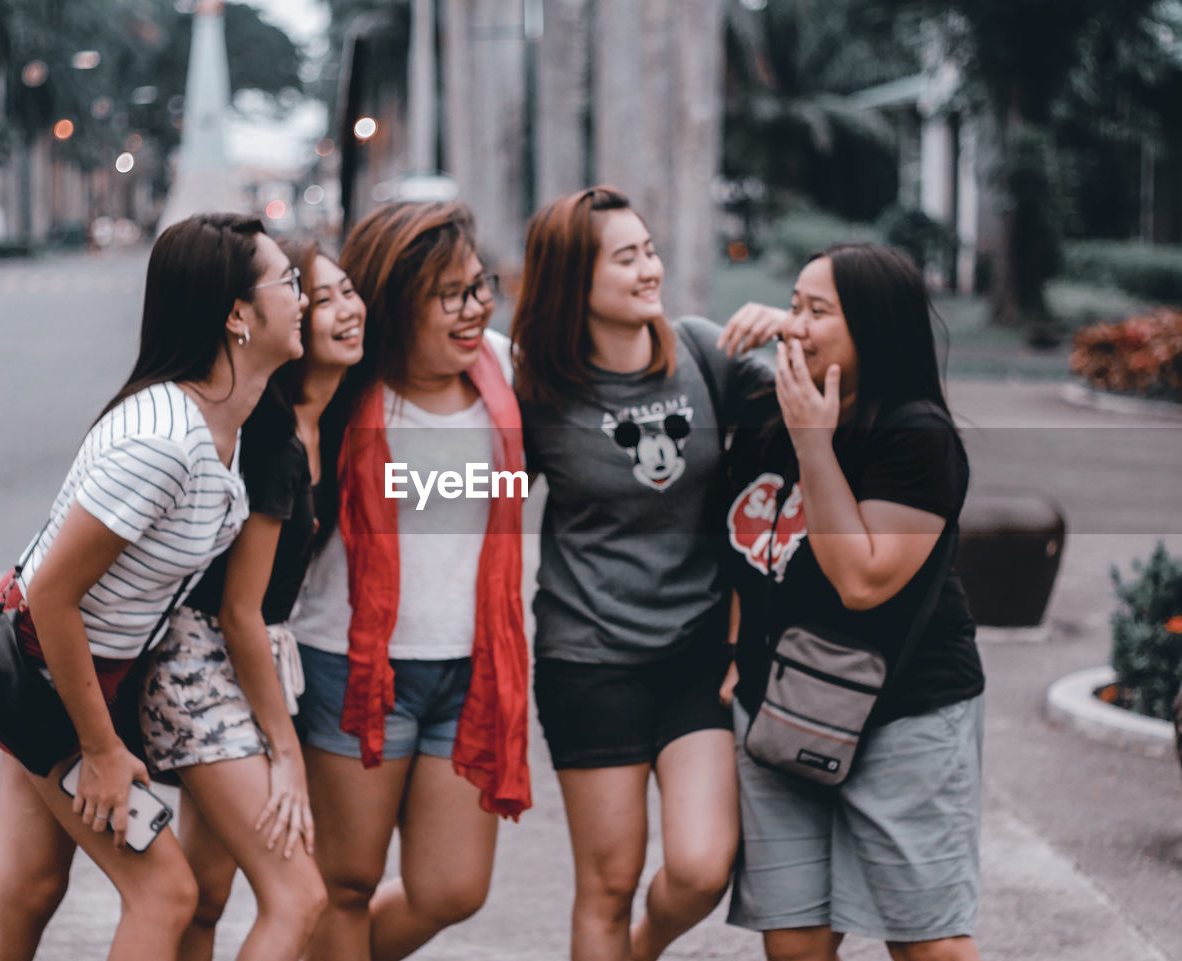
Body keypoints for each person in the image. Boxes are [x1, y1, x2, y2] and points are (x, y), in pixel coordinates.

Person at [0, 213, 305, 961]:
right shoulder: (164, 440)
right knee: (166, 892)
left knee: (28, 890)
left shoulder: (224, 420)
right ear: (238, 315)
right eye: (291, 281)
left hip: (78, 668)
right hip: (39, 670)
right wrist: (104, 750)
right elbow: (52, 592)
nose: (303, 295)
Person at [510, 185, 777, 961]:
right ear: (572, 279)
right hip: (589, 660)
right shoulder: (540, 391)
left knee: (701, 866)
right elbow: (480, 491)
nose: (648, 268)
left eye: (649, 250)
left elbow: (817, 400)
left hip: (697, 654)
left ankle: (635, 950)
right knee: (609, 879)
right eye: (626, 258)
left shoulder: (703, 352)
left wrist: (793, 325)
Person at [722, 242, 985, 961]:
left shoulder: (915, 433)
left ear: (875, 328)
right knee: (796, 940)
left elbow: (862, 578)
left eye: (818, 311)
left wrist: (815, 444)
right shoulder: (768, 401)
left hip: (905, 712)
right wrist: (733, 644)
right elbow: (748, 542)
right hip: (780, 707)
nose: (794, 325)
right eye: (793, 304)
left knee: (926, 941)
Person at [289, 200, 531, 961]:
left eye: (479, 284)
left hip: (472, 668)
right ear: (398, 300)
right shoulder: (346, 389)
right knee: (348, 883)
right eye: (449, 293)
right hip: (352, 666)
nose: (475, 307)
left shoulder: (504, 365)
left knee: (452, 887)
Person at [136, 240, 368, 961]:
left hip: (241, 658)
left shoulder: (329, 418)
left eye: (346, 291)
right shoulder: (274, 435)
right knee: (298, 895)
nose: (337, 309)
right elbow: (241, 611)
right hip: (204, 663)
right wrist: (286, 753)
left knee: (206, 893)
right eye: (314, 294)